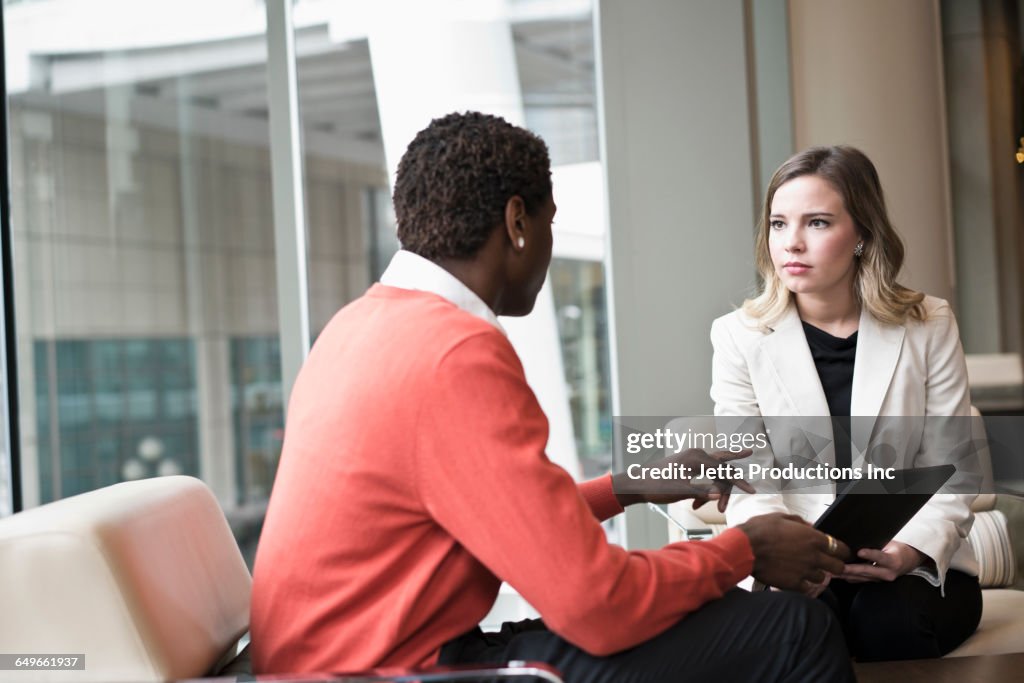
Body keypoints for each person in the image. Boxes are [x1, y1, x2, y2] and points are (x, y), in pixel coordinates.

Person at [250, 112, 854, 682]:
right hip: (398, 673)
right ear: (518, 223)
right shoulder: (454, 353)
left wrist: (632, 486)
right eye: (549, 222)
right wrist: (746, 549)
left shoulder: (362, 326)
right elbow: (598, 604)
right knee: (795, 629)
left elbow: (503, 516)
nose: (546, 243)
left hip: (345, 663)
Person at [711, 145, 982, 661]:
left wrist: (910, 551)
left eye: (816, 223)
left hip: (912, 563)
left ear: (861, 234)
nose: (791, 243)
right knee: (807, 627)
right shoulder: (738, 337)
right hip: (803, 567)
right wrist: (786, 559)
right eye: (777, 223)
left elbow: (956, 464)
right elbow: (750, 475)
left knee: (886, 623)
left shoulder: (929, 323)